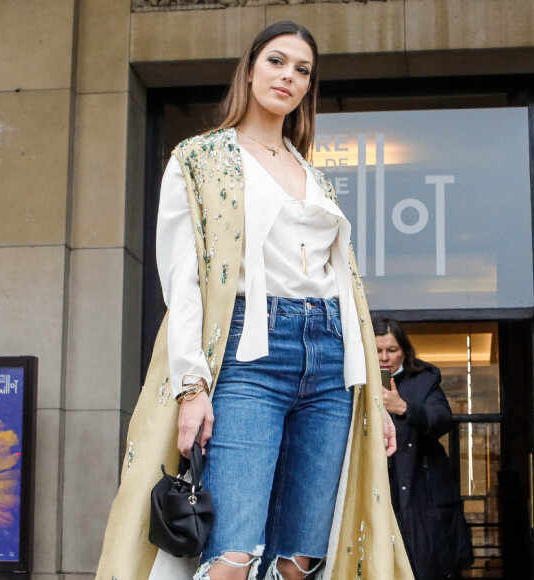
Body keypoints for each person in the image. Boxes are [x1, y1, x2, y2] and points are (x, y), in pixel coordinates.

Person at [96, 22, 413, 580]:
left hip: (331, 357)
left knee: (301, 559)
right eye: (277, 61)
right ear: (250, 69)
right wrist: (193, 386)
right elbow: (184, 280)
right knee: (232, 554)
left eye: (302, 70)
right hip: (248, 355)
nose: (288, 76)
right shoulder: (199, 158)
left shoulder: (314, 175)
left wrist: (367, 393)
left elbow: (344, 285)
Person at [373, 318, 474, 580]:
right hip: (375, 493)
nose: (384, 358)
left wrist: (403, 407)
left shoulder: (424, 380)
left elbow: (442, 420)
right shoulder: (353, 383)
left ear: (404, 351)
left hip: (418, 497)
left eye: (392, 350)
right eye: (377, 350)